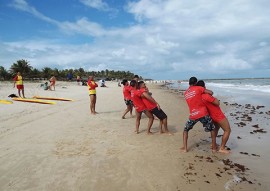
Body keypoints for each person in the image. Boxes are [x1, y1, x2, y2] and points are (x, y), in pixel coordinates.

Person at [181, 76, 216, 153]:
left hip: (193, 115)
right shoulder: (198, 88)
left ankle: (185, 148)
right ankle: (213, 148)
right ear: (196, 83)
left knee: (185, 130)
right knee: (212, 129)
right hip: (203, 113)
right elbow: (211, 92)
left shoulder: (186, 93)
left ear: (189, 83)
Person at [196, 80, 231, 154]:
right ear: (204, 87)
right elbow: (217, 103)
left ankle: (213, 144)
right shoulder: (206, 96)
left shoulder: (199, 96)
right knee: (227, 130)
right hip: (217, 114)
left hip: (211, 115)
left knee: (216, 129)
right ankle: (222, 148)